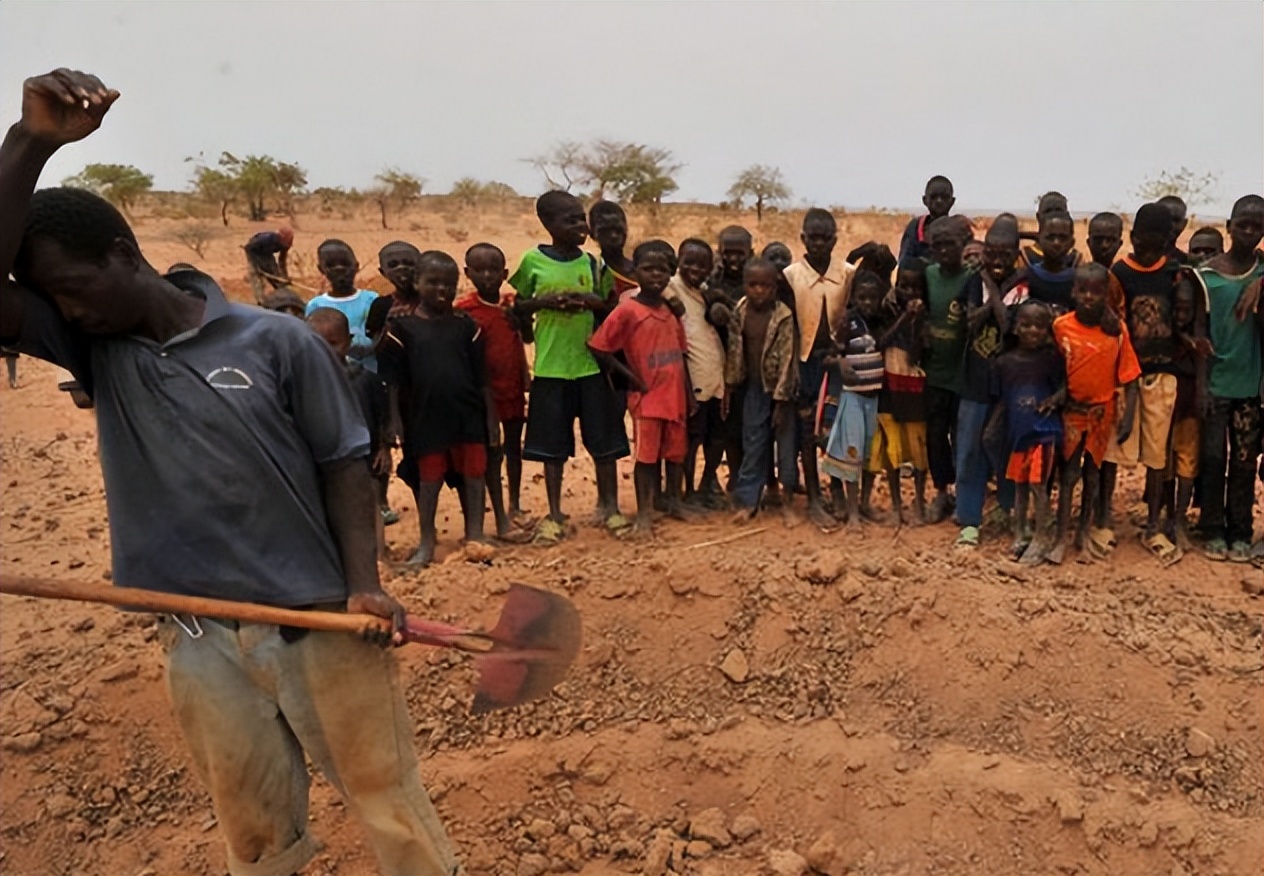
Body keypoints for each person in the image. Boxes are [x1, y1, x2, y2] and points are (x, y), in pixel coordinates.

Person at [0, 69, 456, 876]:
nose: (65, 312)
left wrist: (364, 583)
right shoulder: (98, 351)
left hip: (319, 623)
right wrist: (29, 142)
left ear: (120, 254)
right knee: (255, 838)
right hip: (198, 633)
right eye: (51, 301)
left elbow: (344, 463)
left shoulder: (273, 341)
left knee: (393, 812)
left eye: (71, 289)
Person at [510, 191, 629, 541]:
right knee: (552, 449)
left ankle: (611, 507)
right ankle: (554, 514)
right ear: (548, 225)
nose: (581, 226)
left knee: (604, 443)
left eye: (582, 219)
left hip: (591, 366)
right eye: (571, 220)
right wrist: (541, 303)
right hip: (550, 368)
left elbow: (610, 308)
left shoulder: (594, 264)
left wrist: (592, 303)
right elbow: (518, 309)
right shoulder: (531, 262)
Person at [379, 250, 495, 567]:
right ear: (417, 283)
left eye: (449, 284)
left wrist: (490, 417)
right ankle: (426, 542)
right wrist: (394, 422)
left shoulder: (466, 327)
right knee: (428, 482)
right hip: (425, 419)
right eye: (432, 283)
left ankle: (475, 535)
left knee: (473, 476)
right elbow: (393, 383)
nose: (441, 290)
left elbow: (482, 378)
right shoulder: (401, 330)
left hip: (467, 416)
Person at [1105, 203, 1201, 562]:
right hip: (1126, 375)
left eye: (1158, 245)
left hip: (1164, 377)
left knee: (1158, 456)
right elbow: (1115, 321)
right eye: (1144, 243)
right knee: (1116, 448)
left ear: (1168, 242)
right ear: (1132, 238)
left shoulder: (1175, 274)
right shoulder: (1119, 274)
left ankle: (1153, 526)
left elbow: (1184, 321)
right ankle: (1104, 519)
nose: (1150, 251)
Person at [589, 241, 693, 536]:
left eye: (662, 270)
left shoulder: (671, 312)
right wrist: (630, 378)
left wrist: (687, 393)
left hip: (674, 397)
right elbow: (599, 347)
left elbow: (681, 355)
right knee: (646, 458)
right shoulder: (627, 311)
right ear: (635, 271)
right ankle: (644, 514)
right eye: (648, 269)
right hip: (647, 398)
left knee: (675, 454)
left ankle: (673, 501)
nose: (656, 275)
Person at [1051, 264, 1141, 564]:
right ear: (1074, 292)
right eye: (1083, 290)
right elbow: (1049, 370)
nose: (1089, 297)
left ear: (1107, 296)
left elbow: (1130, 377)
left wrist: (1128, 418)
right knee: (1068, 475)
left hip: (1102, 415)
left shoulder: (1116, 332)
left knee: (1093, 474)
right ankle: (1060, 536)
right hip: (1072, 414)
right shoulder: (1061, 327)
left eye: (1097, 292)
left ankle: (1083, 535)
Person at [1192, 195, 1263, 562]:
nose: (1249, 232)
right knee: (1213, 456)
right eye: (1243, 225)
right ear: (1229, 226)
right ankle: (1212, 528)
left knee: (1245, 460)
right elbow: (1200, 332)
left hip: (1251, 385)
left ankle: (1241, 531)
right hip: (1217, 381)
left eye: (1257, 226)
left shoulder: (1262, 272)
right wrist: (1202, 383)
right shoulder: (1207, 276)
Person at [784, 208, 856, 530]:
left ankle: (837, 489)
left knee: (836, 427)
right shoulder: (790, 276)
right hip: (805, 362)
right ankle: (813, 498)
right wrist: (793, 367)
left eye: (826, 238)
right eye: (813, 238)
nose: (819, 244)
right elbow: (790, 326)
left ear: (834, 240)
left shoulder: (847, 273)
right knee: (806, 431)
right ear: (803, 239)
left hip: (836, 363)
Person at [457, 242, 530, 537]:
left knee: (514, 446)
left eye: (494, 270)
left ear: (505, 273)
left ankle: (515, 503)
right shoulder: (463, 311)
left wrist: (525, 377)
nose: (487, 275)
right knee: (492, 449)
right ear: (468, 273)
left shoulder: (511, 305)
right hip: (481, 393)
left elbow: (524, 341)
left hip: (511, 386)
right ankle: (497, 506)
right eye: (480, 270)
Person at [954, 215, 1018, 547]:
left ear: (1017, 253)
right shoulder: (971, 282)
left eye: (1005, 254)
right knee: (969, 449)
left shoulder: (1023, 285)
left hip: (1009, 386)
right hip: (975, 381)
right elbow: (970, 322)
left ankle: (1007, 510)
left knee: (1005, 449)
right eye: (991, 252)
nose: (996, 260)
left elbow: (1009, 327)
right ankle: (969, 519)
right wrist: (994, 300)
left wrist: (992, 288)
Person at [308, 308, 393, 555]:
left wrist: (384, 448)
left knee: (371, 504)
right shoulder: (305, 382)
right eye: (318, 344)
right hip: (325, 458)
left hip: (365, 457)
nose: (327, 350)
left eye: (334, 343)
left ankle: (379, 555)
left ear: (349, 342)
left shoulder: (365, 379)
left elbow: (382, 415)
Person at [990, 301, 1065, 564]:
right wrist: (992, 430)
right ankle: (1021, 531)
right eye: (1027, 324)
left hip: (1044, 432)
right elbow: (1002, 400)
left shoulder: (1051, 360)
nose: (1033, 330)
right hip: (1018, 434)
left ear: (1047, 331)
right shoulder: (1004, 363)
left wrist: (1055, 399)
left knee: (1038, 485)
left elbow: (1066, 388)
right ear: (1015, 327)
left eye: (1039, 326)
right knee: (1020, 485)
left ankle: (1041, 537)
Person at [725, 258, 799, 523]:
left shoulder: (783, 316)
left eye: (765, 285)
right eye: (752, 284)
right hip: (754, 388)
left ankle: (787, 501)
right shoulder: (740, 312)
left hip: (782, 391)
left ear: (775, 287)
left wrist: (781, 398)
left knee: (786, 449)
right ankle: (748, 501)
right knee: (753, 443)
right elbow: (735, 352)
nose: (759, 291)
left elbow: (788, 358)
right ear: (744, 285)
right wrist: (731, 384)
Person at [922, 216, 980, 523]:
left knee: (963, 437)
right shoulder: (928, 275)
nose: (944, 250)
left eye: (950, 244)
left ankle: (964, 495)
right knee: (935, 434)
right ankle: (941, 492)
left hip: (964, 373)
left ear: (964, 244)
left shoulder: (974, 278)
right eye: (937, 245)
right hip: (934, 372)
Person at [665, 238, 728, 508]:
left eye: (703, 265)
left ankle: (705, 485)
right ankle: (687, 492)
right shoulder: (670, 289)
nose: (695, 269)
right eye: (688, 262)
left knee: (717, 438)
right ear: (678, 262)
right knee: (691, 440)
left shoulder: (706, 291)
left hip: (716, 380)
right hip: (692, 382)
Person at [820, 271, 885, 526]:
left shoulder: (880, 323)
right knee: (852, 454)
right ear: (854, 298)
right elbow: (827, 356)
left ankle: (863, 504)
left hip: (875, 400)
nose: (868, 303)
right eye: (862, 298)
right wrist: (840, 361)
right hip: (853, 399)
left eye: (873, 298)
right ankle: (853, 514)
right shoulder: (848, 323)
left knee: (869, 454)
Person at [871, 259, 931, 525]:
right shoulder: (886, 311)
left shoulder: (925, 317)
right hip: (889, 390)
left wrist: (917, 322)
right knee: (892, 449)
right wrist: (904, 317)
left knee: (919, 449)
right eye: (904, 286)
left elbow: (919, 354)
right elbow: (880, 343)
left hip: (915, 391)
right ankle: (896, 505)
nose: (909, 292)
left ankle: (918, 501)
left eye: (915, 288)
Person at [305, 239, 379, 366]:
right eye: (331, 265)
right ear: (321, 269)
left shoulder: (372, 300)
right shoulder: (316, 306)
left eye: (345, 264)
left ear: (356, 266)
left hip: (370, 374)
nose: (339, 269)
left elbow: (379, 339)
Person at [1007, 211, 1078, 313]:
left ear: (1072, 243)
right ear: (1039, 240)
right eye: (1050, 237)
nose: (1056, 243)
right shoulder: (1026, 277)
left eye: (1063, 238)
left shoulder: (1079, 282)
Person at [898, 175, 954, 263]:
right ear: (925, 200)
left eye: (944, 197)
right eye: (933, 197)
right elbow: (905, 263)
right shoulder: (915, 227)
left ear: (952, 201)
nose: (939, 201)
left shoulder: (959, 228)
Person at [589, 200, 637, 302]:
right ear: (592, 234)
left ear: (626, 230)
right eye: (605, 231)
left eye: (618, 229)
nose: (613, 235)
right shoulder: (593, 271)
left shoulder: (642, 269)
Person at [243, 226, 294, 302]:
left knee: (277, 278)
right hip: (255, 253)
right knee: (257, 278)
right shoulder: (267, 238)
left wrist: (284, 277)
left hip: (268, 255)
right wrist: (255, 266)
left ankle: (285, 297)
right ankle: (260, 301)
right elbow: (248, 248)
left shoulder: (285, 245)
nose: (286, 246)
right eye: (286, 243)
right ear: (281, 238)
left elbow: (282, 261)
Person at [379, 239, 424, 319]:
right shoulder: (381, 305)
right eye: (393, 265)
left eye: (408, 263)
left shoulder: (433, 303)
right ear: (383, 272)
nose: (401, 268)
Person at [712, 225, 754, 303]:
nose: (733, 259)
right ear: (719, 253)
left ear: (750, 254)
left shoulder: (757, 282)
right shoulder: (710, 280)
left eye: (740, 253)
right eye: (727, 253)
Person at [1156, 194, 1189, 264]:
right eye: (1165, 219)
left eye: (1176, 220)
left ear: (1184, 223)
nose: (1171, 225)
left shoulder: (1187, 263)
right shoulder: (1142, 260)